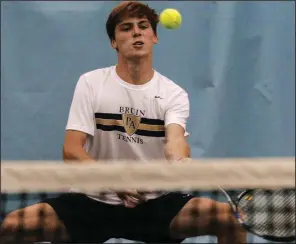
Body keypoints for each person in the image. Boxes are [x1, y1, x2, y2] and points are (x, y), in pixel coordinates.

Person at [0, 1, 246, 243]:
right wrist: (113, 180)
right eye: (126, 28)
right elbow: (72, 151)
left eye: (143, 26)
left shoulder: (173, 93)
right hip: (93, 201)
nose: (136, 32)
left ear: (154, 37)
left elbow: (175, 138)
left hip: (153, 205)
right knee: (13, 225)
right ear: (114, 42)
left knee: (228, 219)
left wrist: (178, 158)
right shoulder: (91, 83)